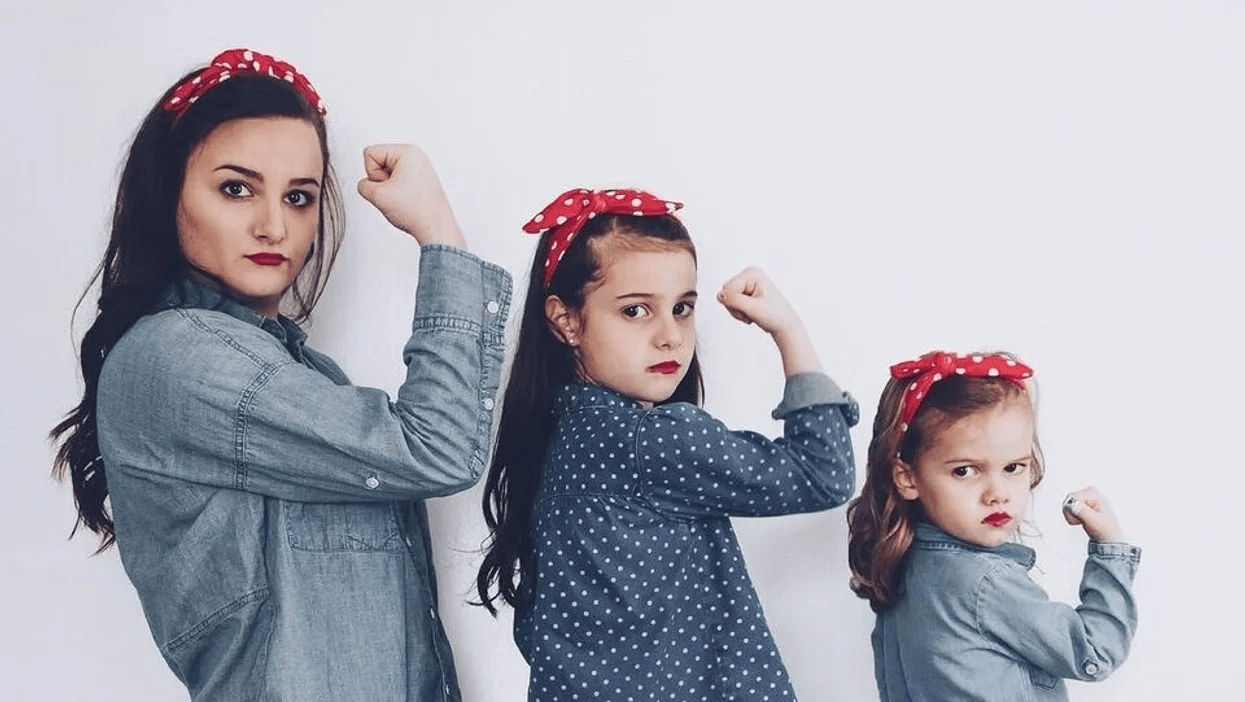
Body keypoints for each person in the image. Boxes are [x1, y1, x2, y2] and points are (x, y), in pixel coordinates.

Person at [48, 48, 511, 701]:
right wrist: (439, 235)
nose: (274, 226)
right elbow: (434, 450)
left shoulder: (300, 370)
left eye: (299, 197)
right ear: (167, 194)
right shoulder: (177, 358)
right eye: (235, 188)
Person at [474, 188, 859, 701]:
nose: (671, 336)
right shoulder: (651, 440)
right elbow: (822, 473)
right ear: (565, 319)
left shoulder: (557, 438)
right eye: (636, 311)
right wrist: (787, 328)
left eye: (682, 308)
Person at [845, 350, 1141, 701]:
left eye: (1013, 467)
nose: (997, 494)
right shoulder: (987, 584)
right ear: (907, 478)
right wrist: (1111, 550)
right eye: (965, 470)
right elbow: (1094, 652)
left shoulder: (904, 565)